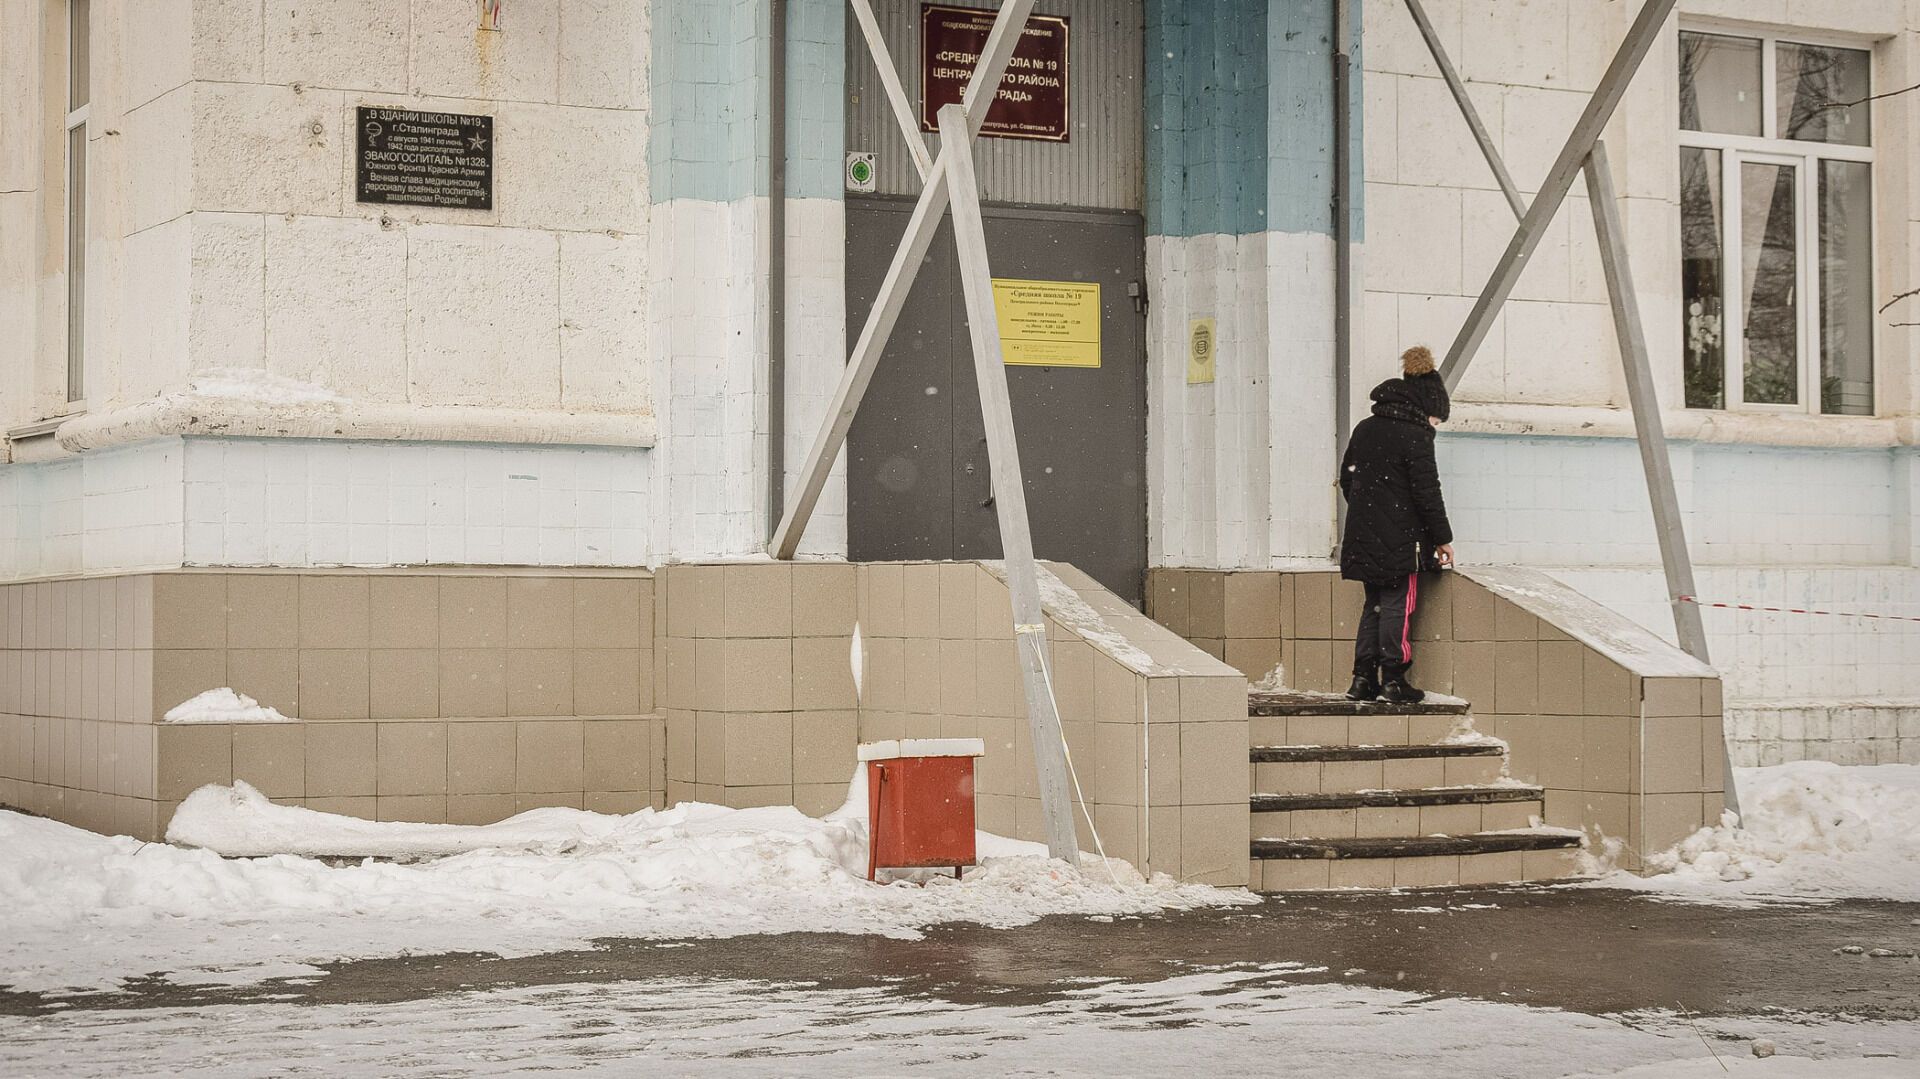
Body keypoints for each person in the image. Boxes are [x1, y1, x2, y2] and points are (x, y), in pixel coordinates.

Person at [1338, 345, 1455, 704]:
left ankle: (1362, 679)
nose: (1435, 427)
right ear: (1426, 408)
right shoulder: (1415, 435)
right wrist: (1442, 539)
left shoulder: (1366, 428)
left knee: (1373, 605)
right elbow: (1427, 492)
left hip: (1363, 536)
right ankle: (1394, 679)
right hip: (1401, 540)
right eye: (1437, 420)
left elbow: (1347, 478)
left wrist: (1370, 516)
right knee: (1397, 605)